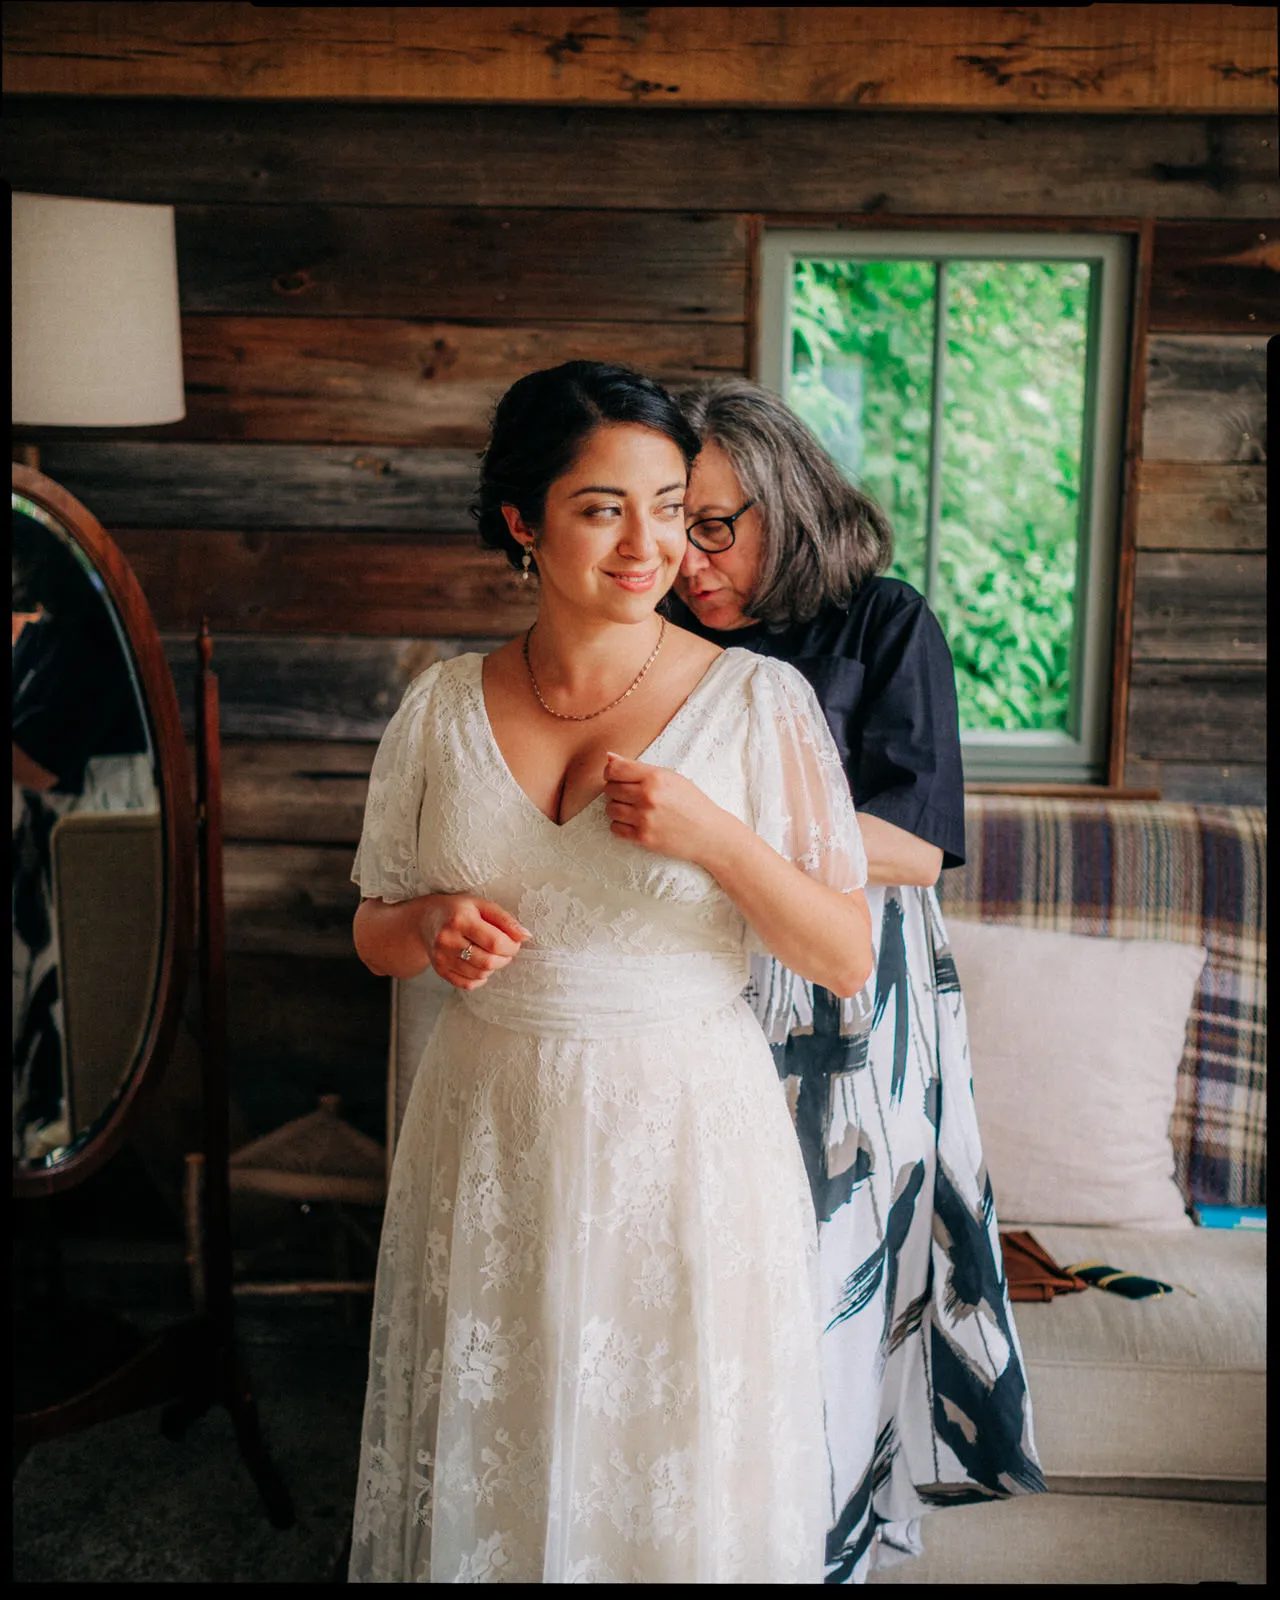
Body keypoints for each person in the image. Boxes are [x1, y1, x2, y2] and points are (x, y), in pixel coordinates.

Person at [346, 362, 875, 1584]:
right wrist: (430, 923)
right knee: (504, 1446)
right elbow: (373, 932)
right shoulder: (437, 707)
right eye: (602, 508)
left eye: (671, 505)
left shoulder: (758, 702)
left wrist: (717, 841)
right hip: (489, 1133)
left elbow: (842, 952)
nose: (650, 545)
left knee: (666, 1469)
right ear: (522, 522)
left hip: (682, 1138)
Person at [668, 377, 1045, 1584]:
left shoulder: (880, 623)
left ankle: (833, 1531)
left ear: (785, 503)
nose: (684, 556)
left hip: (849, 996)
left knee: (833, 1275)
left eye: (712, 523)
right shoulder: (666, 635)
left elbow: (916, 845)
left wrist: (730, 829)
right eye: (674, 521)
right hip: (692, 984)